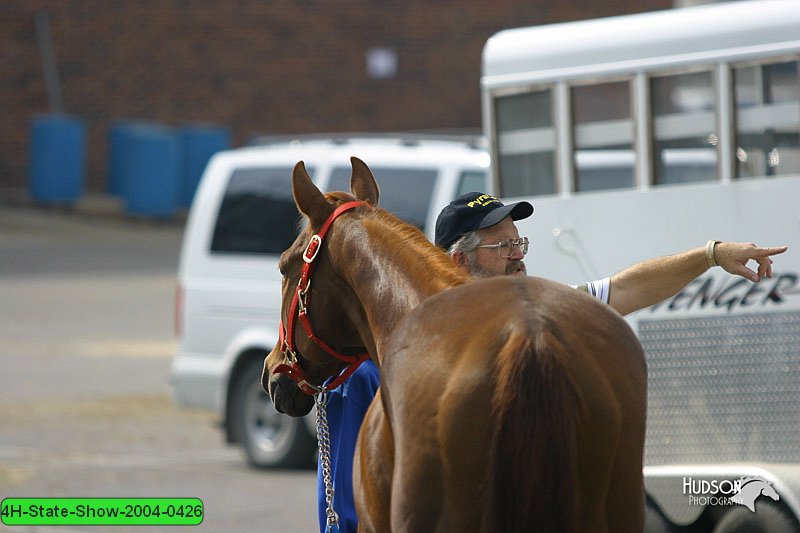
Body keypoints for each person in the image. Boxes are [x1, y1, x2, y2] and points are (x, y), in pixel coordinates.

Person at [316, 191, 788, 533]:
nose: (518, 257)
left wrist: (710, 254)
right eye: (502, 247)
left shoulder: (543, 316)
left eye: (519, 244)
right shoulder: (402, 357)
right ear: (457, 262)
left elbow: (627, 287)